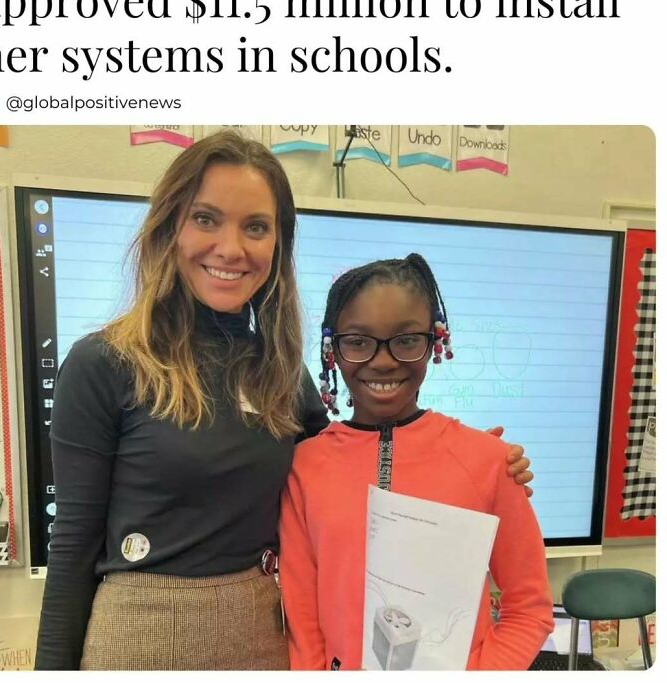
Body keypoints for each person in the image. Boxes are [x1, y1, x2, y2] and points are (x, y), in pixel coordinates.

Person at [34, 132, 535, 671]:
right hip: (140, 640)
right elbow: (72, 543)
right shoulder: (104, 363)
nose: (231, 248)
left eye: (255, 226)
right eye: (206, 218)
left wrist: (481, 463)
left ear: (278, 245)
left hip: (264, 640)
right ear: (169, 227)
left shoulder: (279, 375)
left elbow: (352, 458)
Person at [279, 253, 553, 671]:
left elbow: (529, 607)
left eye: (406, 340)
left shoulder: (489, 461)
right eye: (358, 341)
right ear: (332, 349)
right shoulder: (305, 467)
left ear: (435, 340)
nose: (383, 360)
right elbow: (302, 615)